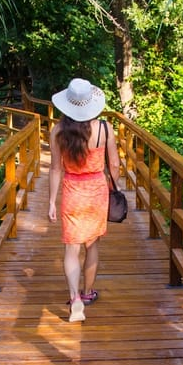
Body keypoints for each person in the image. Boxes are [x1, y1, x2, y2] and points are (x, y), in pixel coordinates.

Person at [48, 78, 121, 322]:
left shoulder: (57, 132)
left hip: (72, 192)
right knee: (92, 245)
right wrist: (114, 185)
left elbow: (56, 169)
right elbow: (115, 164)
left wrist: (50, 201)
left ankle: (74, 298)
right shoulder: (104, 129)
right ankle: (87, 293)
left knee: (71, 248)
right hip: (96, 191)